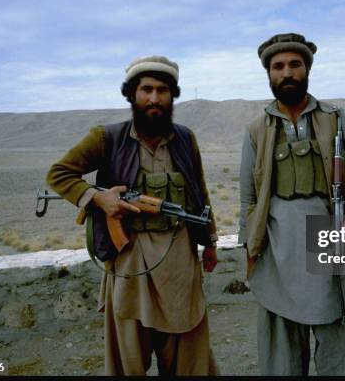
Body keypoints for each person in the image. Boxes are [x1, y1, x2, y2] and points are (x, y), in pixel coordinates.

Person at [46, 55, 220, 376]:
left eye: (163, 90)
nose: (154, 98)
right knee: (128, 359)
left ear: (172, 95)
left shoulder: (184, 138)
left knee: (188, 358)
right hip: (128, 261)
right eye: (146, 89)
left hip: (179, 259)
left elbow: (199, 193)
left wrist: (209, 241)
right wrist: (97, 198)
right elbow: (59, 174)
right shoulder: (107, 138)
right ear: (131, 94)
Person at [238, 33, 345, 375]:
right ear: (269, 74)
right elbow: (248, 198)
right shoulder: (257, 129)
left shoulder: (335, 117)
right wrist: (249, 249)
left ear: (307, 70)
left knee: (340, 346)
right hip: (277, 241)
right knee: (282, 354)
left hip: (328, 235)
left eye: (294, 65)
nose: (286, 73)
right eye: (278, 66)